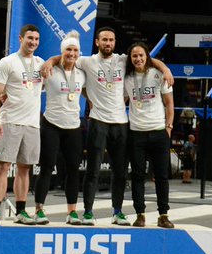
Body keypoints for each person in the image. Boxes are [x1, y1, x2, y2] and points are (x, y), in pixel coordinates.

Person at [41, 26, 172, 225]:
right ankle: (88, 212)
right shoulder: (87, 61)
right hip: (98, 122)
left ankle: (117, 212)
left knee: (120, 172)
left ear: (115, 42)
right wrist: (50, 62)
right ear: (97, 42)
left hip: (121, 123)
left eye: (111, 40)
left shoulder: (123, 60)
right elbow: (65, 56)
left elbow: (147, 59)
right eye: (104, 40)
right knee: (93, 170)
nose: (108, 43)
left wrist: (165, 69)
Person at [0, 25, 44, 225]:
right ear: (21, 38)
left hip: (32, 124)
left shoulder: (40, 63)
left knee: (25, 169)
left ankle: (21, 211)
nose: (33, 42)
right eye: (30, 38)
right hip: (10, 121)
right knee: (3, 166)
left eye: (36, 39)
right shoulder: (7, 62)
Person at [125, 42, 175, 228]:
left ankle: (163, 214)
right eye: (134, 56)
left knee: (161, 176)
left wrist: (168, 128)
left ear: (147, 56)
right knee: (137, 176)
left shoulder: (159, 74)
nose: (138, 59)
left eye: (141, 55)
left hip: (158, 131)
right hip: (137, 133)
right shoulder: (127, 78)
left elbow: (169, 104)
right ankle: (140, 214)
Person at [40, 32, 86, 225]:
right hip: (51, 124)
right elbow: (31, 87)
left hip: (73, 126)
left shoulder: (82, 73)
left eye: (75, 50)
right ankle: (39, 210)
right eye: (68, 49)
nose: (72, 53)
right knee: (47, 168)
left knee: (73, 171)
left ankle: (72, 212)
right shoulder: (49, 70)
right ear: (61, 52)